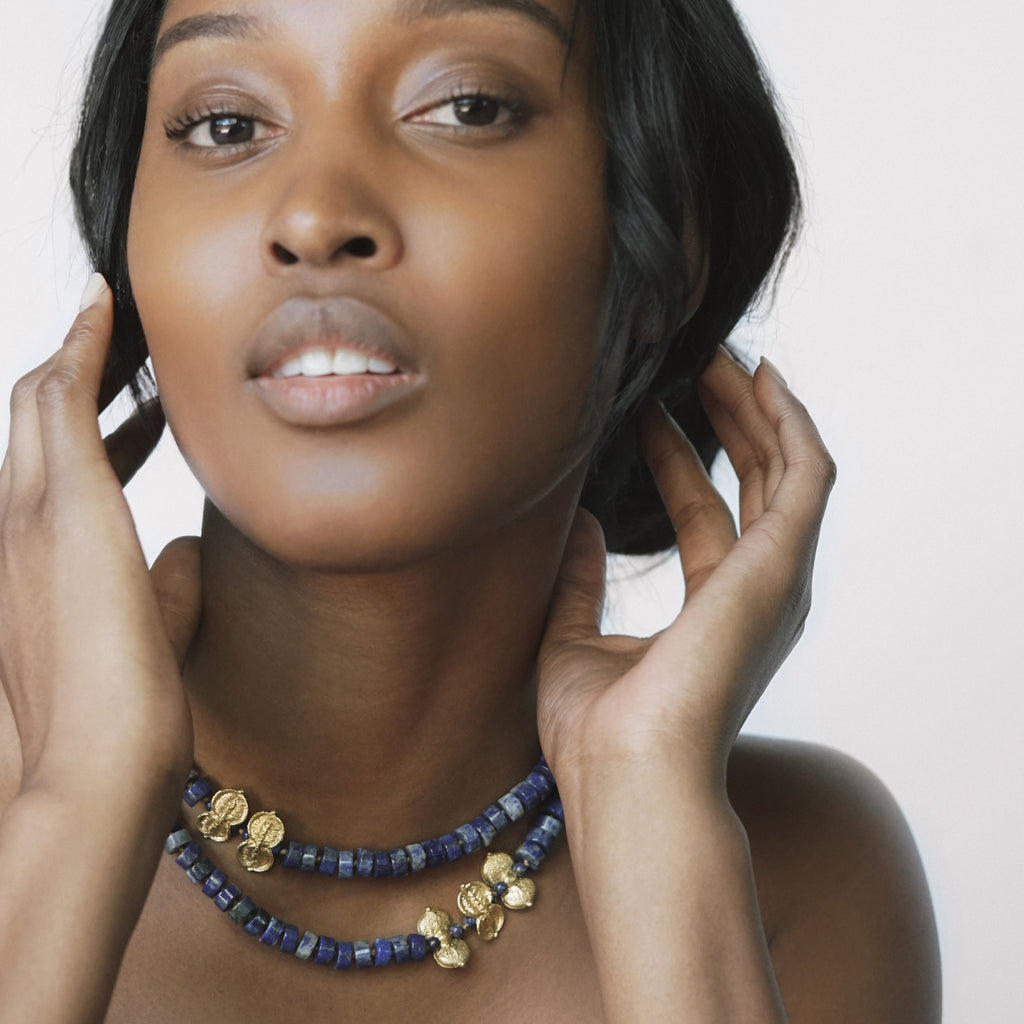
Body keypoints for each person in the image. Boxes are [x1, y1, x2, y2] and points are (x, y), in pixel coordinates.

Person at [0, 0, 941, 1020]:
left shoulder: (804, 876)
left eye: (465, 106)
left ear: (660, 266)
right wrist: (75, 801)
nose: (314, 216)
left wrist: (658, 836)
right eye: (226, 125)